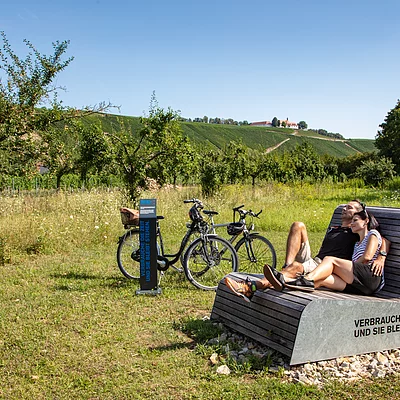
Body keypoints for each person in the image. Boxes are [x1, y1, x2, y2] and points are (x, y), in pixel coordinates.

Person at [224, 200, 389, 302]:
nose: (345, 209)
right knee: (298, 225)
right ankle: (286, 267)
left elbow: (383, 240)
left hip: (329, 266)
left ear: (361, 217)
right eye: (345, 207)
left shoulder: (357, 233)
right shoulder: (337, 228)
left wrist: (381, 257)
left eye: (351, 208)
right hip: (318, 260)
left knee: (297, 270)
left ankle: (252, 287)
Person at [265, 209, 385, 296]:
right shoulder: (356, 243)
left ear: (366, 221)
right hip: (358, 285)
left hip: (370, 277)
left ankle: (306, 279)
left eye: (355, 220)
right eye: (352, 220)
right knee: (323, 278)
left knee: (330, 259)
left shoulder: (372, 234)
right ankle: (284, 282)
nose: (352, 223)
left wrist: (381, 257)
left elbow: (367, 257)